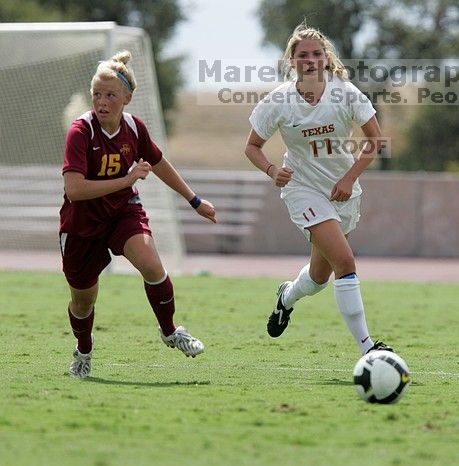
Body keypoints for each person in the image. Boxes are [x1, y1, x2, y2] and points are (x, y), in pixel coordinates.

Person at [61, 51, 217, 378]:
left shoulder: (134, 128)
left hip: (123, 213)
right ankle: (84, 350)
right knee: (83, 301)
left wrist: (194, 199)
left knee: (152, 266)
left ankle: (170, 330)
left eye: (110, 95)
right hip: (82, 224)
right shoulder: (81, 132)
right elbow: (74, 190)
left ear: (127, 98)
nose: (102, 101)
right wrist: (128, 178)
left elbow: (159, 163)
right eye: (97, 95)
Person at [244, 23, 392, 355]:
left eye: (316, 53)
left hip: (342, 192)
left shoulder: (345, 92)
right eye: (302, 55)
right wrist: (271, 170)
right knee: (346, 261)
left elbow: (375, 141)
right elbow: (252, 146)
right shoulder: (279, 101)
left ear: (326, 58)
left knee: (318, 277)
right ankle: (368, 348)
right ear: (291, 61)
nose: (310, 60)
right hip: (303, 190)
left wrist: (349, 178)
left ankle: (287, 297)